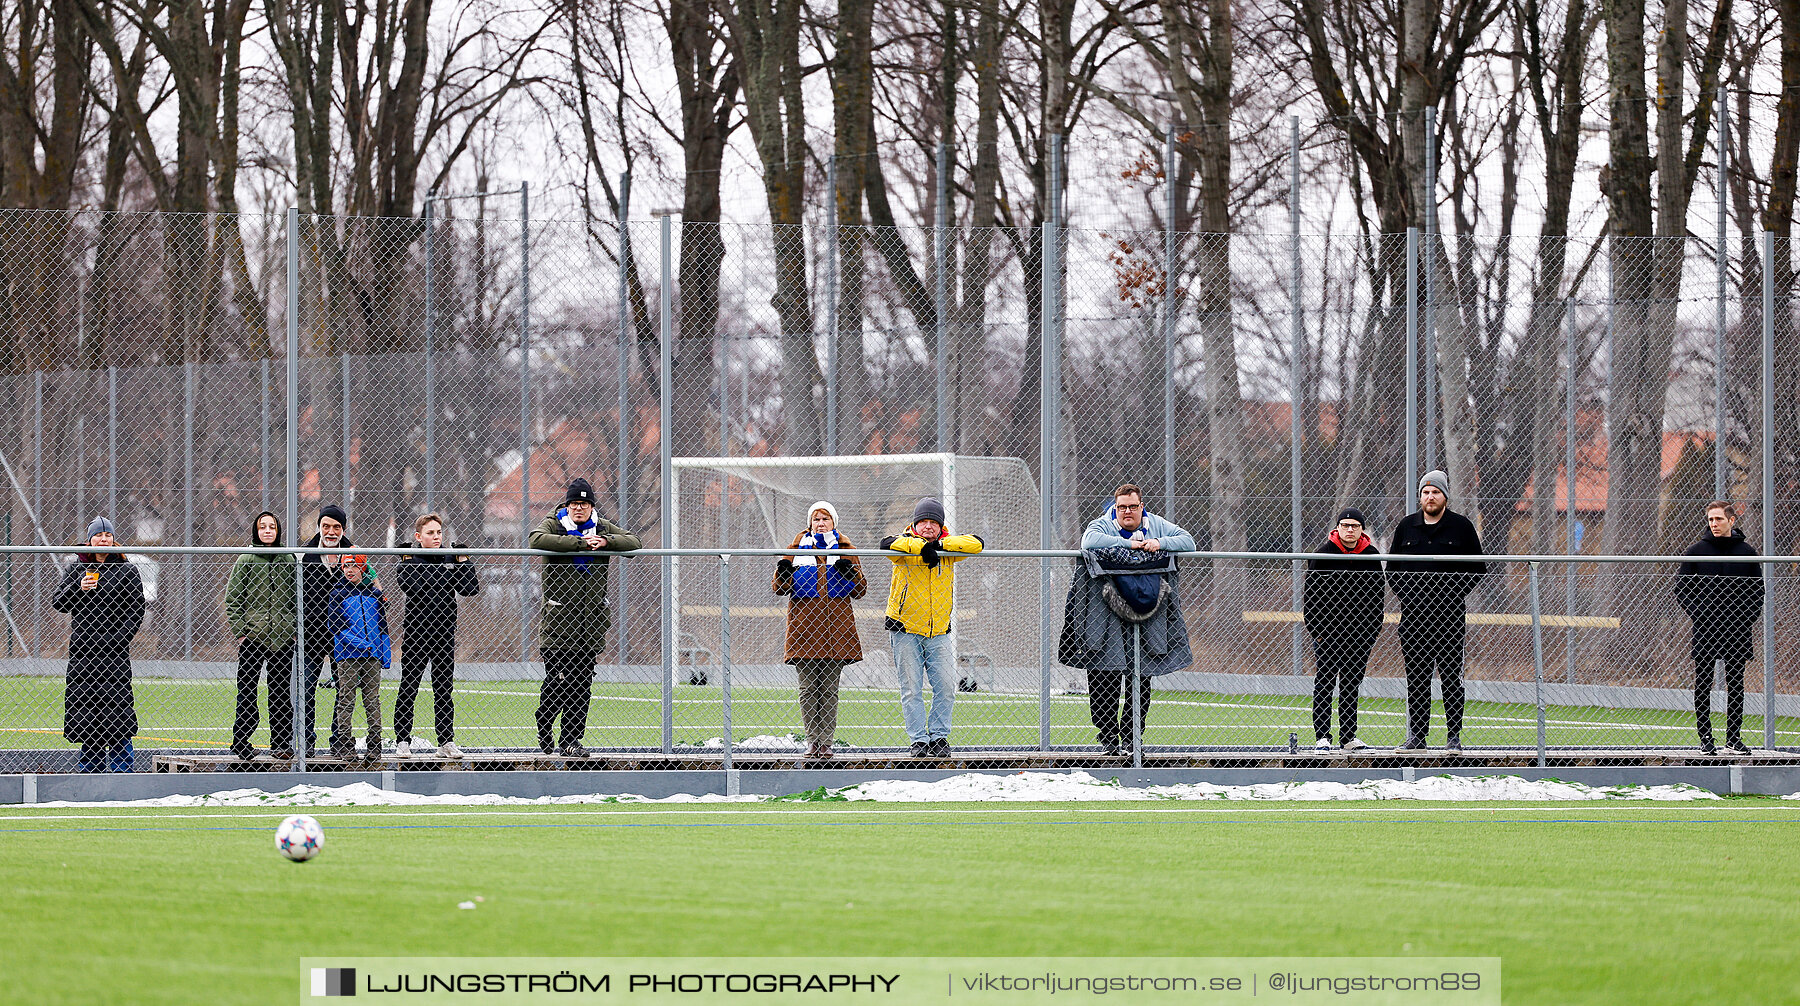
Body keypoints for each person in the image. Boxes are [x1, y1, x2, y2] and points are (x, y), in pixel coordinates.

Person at [1074, 483, 1195, 756]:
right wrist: (1129, 544)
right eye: (1121, 507)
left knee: (1140, 676)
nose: (1127, 511)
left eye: (1132, 506)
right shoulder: (1104, 523)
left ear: (1142, 507)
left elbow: (1188, 541)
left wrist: (1159, 543)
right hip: (1106, 614)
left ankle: (1132, 740)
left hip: (1147, 614)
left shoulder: (1157, 525)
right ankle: (1108, 739)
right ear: (1114, 508)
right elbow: (1088, 542)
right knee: (1103, 674)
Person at [529, 478, 640, 757]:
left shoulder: (602, 526)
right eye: (574, 503)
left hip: (590, 625)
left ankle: (570, 740)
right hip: (558, 625)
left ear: (592, 506)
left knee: (582, 686)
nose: (579, 508)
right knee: (558, 682)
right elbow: (536, 539)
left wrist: (605, 541)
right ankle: (544, 719)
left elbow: (634, 542)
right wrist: (578, 544)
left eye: (584, 503)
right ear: (567, 505)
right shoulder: (554, 523)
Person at [1387, 471, 1486, 755]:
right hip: (1414, 620)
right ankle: (1417, 736)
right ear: (1420, 497)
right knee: (1417, 678)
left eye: (1435, 493)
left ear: (1445, 496)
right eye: (1425, 493)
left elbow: (1477, 569)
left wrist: (1451, 593)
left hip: (1450, 618)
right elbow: (1392, 570)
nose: (1430, 498)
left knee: (1451, 678)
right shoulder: (1406, 527)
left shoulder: (1461, 526)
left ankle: (1453, 737)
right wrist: (1409, 595)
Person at [878, 497, 983, 757]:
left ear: (940, 526)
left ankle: (939, 737)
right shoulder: (904, 547)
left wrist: (940, 545)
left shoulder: (948, 550)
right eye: (922, 521)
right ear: (915, 524)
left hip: (938, 632)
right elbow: (886, 543)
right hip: (905, 629)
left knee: (946, 686)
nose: (927, 526)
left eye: (933, 522)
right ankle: (919, 741)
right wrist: (920, 547)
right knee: (912, 688)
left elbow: (977, 543)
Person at [772, 501, 867, 760]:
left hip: (836, 632)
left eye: (825, 518)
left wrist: (851, 574)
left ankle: (826, 743)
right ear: (809, 523)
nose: (821, 523)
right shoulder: (794, 548)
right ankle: (812, 741)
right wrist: (782, 573)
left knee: (829, 690)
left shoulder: (847, 548)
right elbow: (779, 588)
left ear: (834, 522)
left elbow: (860, 591)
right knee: (807, 690)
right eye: (816, 519)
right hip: (804, 631)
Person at [52, 517, 145, 772]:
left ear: (113, 539)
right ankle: (89, 768)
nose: (103, 539)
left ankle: (121, 767)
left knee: (117, 708)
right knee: (87, 708)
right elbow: (59, 603)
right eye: (98, 535)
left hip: (114, 653)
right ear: (90, 539)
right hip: (83, 652)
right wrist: (78, 588)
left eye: (108, 535)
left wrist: (120, 638)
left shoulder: (127, 570)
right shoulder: (76, 569)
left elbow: (136, 609)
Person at [1675, 501, 1765, 756]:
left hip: (1737, 630)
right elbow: (1682, 590)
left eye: (1719, 519)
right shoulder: (1695, 552)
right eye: (1711, 519)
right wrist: (1700, 614)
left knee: (1736, 684)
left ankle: (1733, 738)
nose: (1714, 524)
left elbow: (1757, 592)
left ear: (1731, 521)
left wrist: (1745, 619)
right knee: (1703, 682)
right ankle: (1705, 738)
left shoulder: (1747, 552)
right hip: (1706, 629)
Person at [394, 513, 480, 758]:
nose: (436, 537)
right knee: (408, 687)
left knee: (443, 689)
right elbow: (413, 586)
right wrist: (438, 570)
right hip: (416, 634)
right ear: (418, 536)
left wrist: (463, 561)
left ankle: (446, 742)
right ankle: (402, 740)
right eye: (430, 533)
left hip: (444, 634)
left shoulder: (449, 557)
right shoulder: (409, 558)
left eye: (439, 533)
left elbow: (470, 589)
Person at [1303, 508, 1385, 752]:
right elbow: (1311, 597)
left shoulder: (1371, 554)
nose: (1350, 530)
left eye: (1355, 526)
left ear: (1362, 529)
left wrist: (1371, 634)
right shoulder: (1323, 553)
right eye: (1345, 525)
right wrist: (1317, 630)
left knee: (1351, 683)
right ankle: (1322, 737)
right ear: (1337, 527)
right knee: (1325, 682)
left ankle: (1348, 736)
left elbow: (1377, 599)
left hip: (1360, 636)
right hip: (1328, 635)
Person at [223, 510, 297, 761]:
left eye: (272, 527)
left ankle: (281, 742)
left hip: (283, 639)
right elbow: (233, 600)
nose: (267, 531)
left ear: (278, 531)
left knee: (279, 692)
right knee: (247, 691)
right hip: (253, 638)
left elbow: (297, 599)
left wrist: (293, 630)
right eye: (262, 527)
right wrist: (241, 633)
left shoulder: (288, 559)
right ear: (256, 531)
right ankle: (241, 741)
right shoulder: (245, 559)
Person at [299, 504, 354, 756]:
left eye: (336, 527)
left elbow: (369, 586)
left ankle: (339, 740)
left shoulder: (354, 555)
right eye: (326, 526)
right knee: (306, 688)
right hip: (311, 634)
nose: (331, 532)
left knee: (344, 690)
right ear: (319, 527)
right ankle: (306, 742)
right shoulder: (304, 555)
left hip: (344, 636)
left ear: (343, 529)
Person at [326, 553, 390, 762]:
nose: (350, 570)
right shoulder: (338, 594)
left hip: (372, 657)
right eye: (346, 566)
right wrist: (363, 644)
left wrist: (384, 652)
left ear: (363, 569)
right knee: (346, 698)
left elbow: (382, 627)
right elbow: (337, 627)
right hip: (348, 656)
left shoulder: (374, 595)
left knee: (372, 699)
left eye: (354, 566)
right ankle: (345, 744)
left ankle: (375, 744)